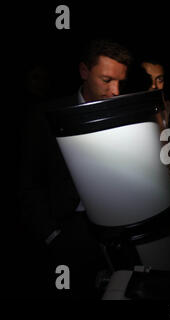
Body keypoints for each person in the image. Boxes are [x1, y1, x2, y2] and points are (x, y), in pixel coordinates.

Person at [19, 38, 132, 298]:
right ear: (84, 71)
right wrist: (51, 235)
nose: (115, 91)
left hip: (114, 233)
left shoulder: (124, 115)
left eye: (120, 82)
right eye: (106, 80)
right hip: (66, 230)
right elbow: (28, 184)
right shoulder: (45, 116)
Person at [141, 59, 170, 126]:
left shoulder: (169, 107)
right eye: (149, 79)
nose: (154, 85)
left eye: (159, 79)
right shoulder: (133, 110)